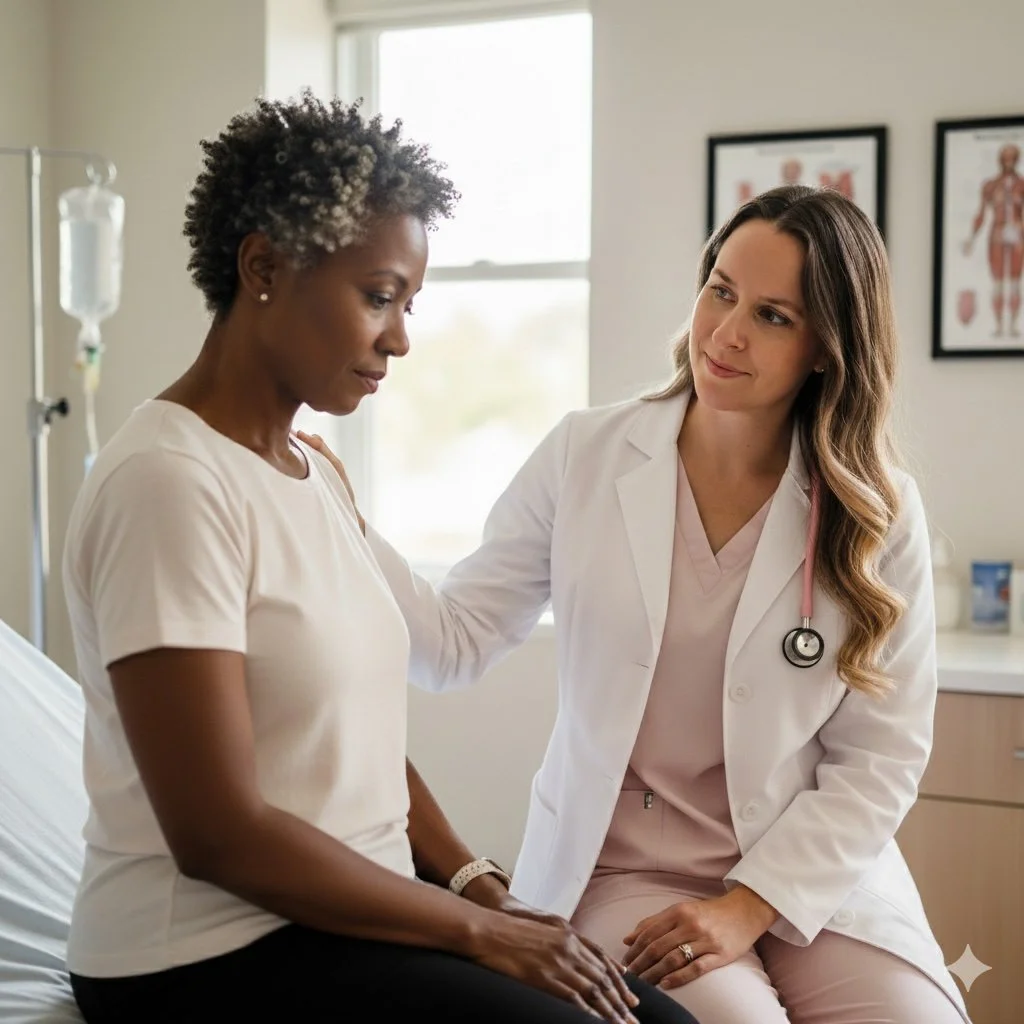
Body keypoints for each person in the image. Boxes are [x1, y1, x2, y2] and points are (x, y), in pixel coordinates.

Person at [60, 92, 700, 1024]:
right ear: (264, 267)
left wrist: (481, 886)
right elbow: (216, 835)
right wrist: (475, 934)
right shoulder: (168, 482)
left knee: (661, 1022)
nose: (399, 337)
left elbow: (351, 748)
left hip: (340, 917)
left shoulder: (311, 477)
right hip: (199, 954)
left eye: (408, 302)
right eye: (379, 296)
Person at [305, 185, 972, 1023]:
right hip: (627, 873)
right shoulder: (587, 455)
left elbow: (882, 758)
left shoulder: (875, 508)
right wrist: (344, 519)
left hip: (815, 879)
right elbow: (451, 644)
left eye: (772, 316)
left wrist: (750, 906)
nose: (725, 333)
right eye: (720, 290)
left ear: (826, 350)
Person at [962, 142, 1024, 337]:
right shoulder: (991, 186)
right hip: (997, 234)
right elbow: (981, 214)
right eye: (1005, 158)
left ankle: (1012, 325)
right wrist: (971, 238)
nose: (1008, 162)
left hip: (1016, 234)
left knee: (1014, 282)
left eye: (1012, 158)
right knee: (998, 282)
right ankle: (998, 325)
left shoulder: (1021, 185)